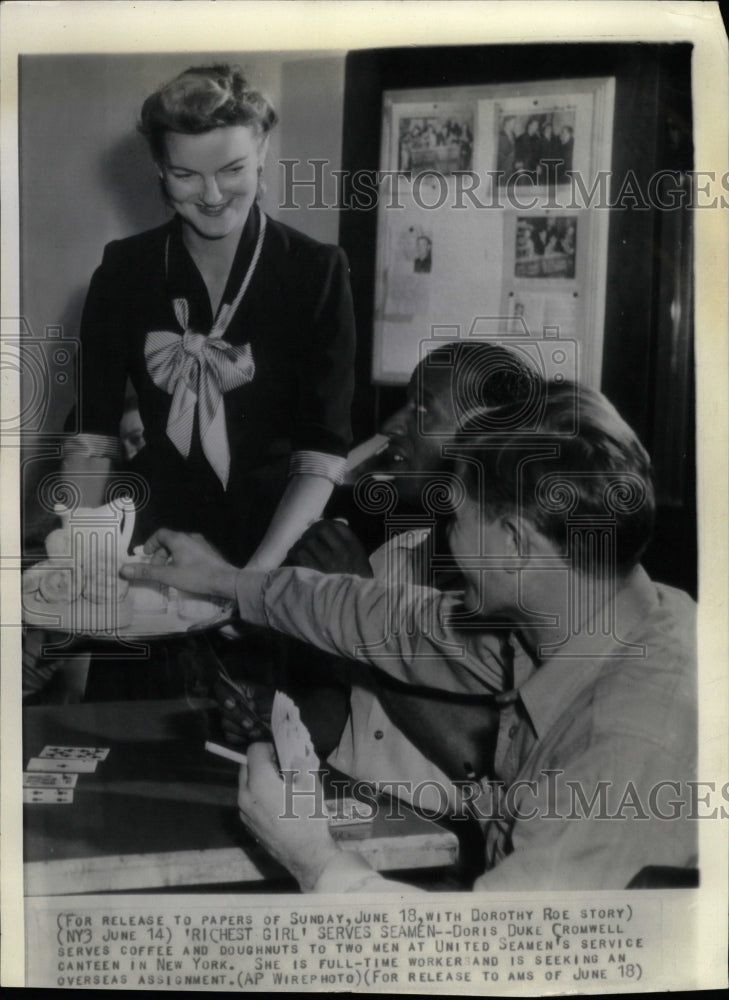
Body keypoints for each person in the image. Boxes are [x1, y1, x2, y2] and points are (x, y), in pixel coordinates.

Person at [123, 381, 697, 892]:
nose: (446, 537)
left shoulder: (627, 743)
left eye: (457, 518)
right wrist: (222, 579)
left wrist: (311, 857)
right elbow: (376, 615)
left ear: (517, 545)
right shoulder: (587, 610)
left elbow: (493, 961)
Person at [63, 64, 355, 569]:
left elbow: (320, 454)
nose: (213, 196)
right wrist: (81, 557)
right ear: (158, 167)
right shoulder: (123, 270)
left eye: (232, 169)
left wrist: (250, 586)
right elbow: (92, 437)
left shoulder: (316, 271)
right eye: (186, 175)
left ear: (262, 152)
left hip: (284, 545)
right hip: (159, 540)